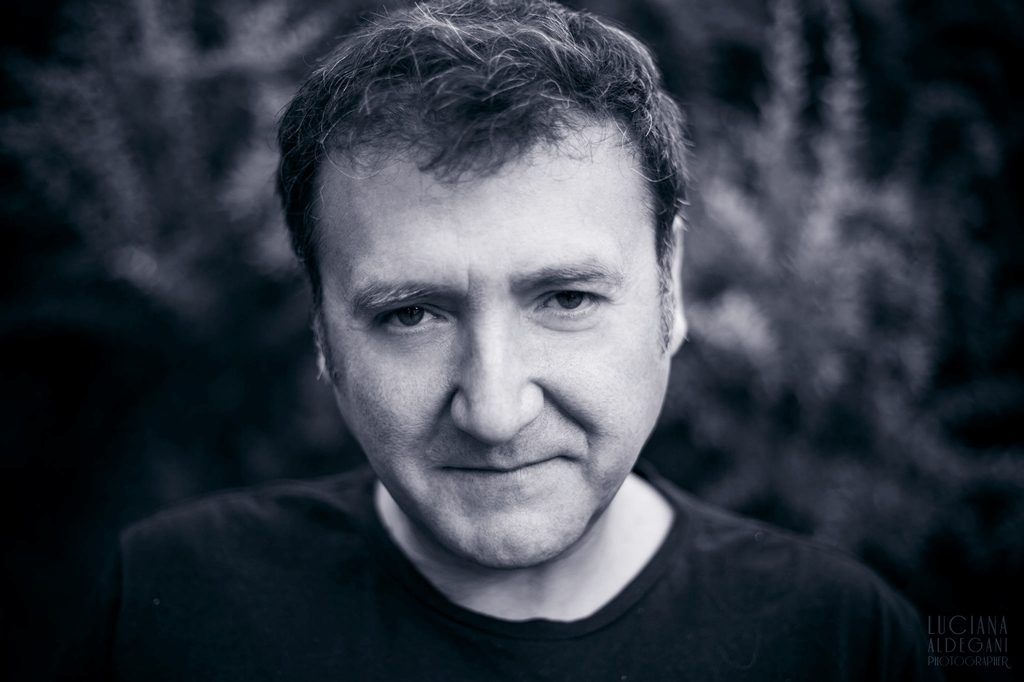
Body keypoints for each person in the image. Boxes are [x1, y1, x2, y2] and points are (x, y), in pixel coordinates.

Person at [60, 0, 939, 679]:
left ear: (669, 289)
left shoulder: (838, 643)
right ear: (322, 327)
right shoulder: (172, 611)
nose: (494, 411)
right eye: (412, 314)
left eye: (566, 299)